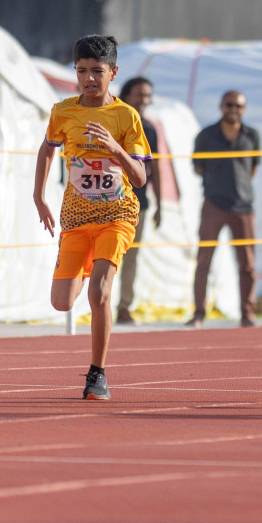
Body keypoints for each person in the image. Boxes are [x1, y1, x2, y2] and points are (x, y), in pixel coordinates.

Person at [33, 35, 151, 401]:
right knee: (62, 302)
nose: (89, 79)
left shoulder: (125, 116)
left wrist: (115, 149)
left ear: (113, 73)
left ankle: (97, 373)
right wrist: (39, 196)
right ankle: (85, 262)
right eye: (82, 71)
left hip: (118, 215)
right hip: (77, 218)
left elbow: (141, 177)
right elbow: (47, 149)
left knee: (100, 293)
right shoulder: (63, 111)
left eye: (97, 72)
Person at [189, 90, 261, 327]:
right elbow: (198, 167)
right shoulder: (206, 135)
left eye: (238, 106)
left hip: (243, 206)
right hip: (213, 204)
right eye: (229, 105)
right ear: (221, 106)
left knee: (248, 264)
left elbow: (252, 169)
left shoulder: (252, 135)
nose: (233, 109)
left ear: (244, 109)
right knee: (204, 260)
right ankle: (199, 313)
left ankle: (247, 315)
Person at [112, 77, 163, 325]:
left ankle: (123, 307)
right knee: (100, 256)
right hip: (105, 200)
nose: (144, 100)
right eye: (139, 94)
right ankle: (93, 305)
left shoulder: (150, 128)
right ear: (127, 95)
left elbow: (157, 168)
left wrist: (160, 204)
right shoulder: (111, 119)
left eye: (147, 95)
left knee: (130, 257)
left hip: (138, 203)